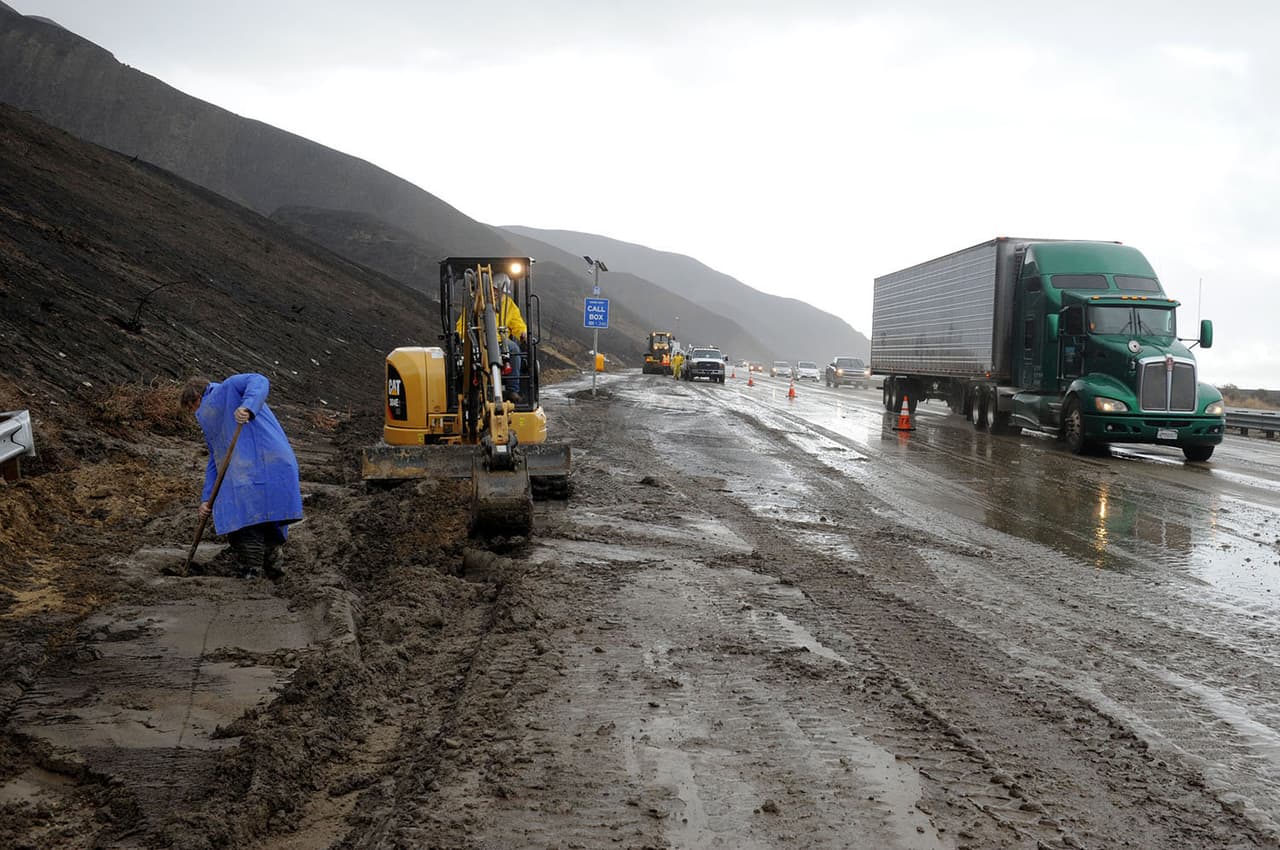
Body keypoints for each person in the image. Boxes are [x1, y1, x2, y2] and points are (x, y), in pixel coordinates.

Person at [180, 374, 303, 580]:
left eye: (193, 408)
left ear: (196, 399)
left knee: (248, 521)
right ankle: (274, 572)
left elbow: (259, 380)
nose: (196, 414)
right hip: (262, 466)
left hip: (262, 463)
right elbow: (216, 459)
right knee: (265, 520)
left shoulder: (228, 389)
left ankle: (251, 572)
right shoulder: (217, 424)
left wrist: (247, 407)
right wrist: (206, 499)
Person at [455, 272, 528, 402]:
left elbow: (517, 323)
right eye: (493, 289)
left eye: (498, 290)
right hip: (478, 340)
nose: (495, 293)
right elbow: (463, 323)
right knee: (472, 357)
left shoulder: (508, 304)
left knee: (514, 349)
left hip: (501, 340)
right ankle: (473, 390)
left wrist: (522, 333)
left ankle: (513, 390)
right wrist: (462, 336)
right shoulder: (476, 302)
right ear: (487, 287)